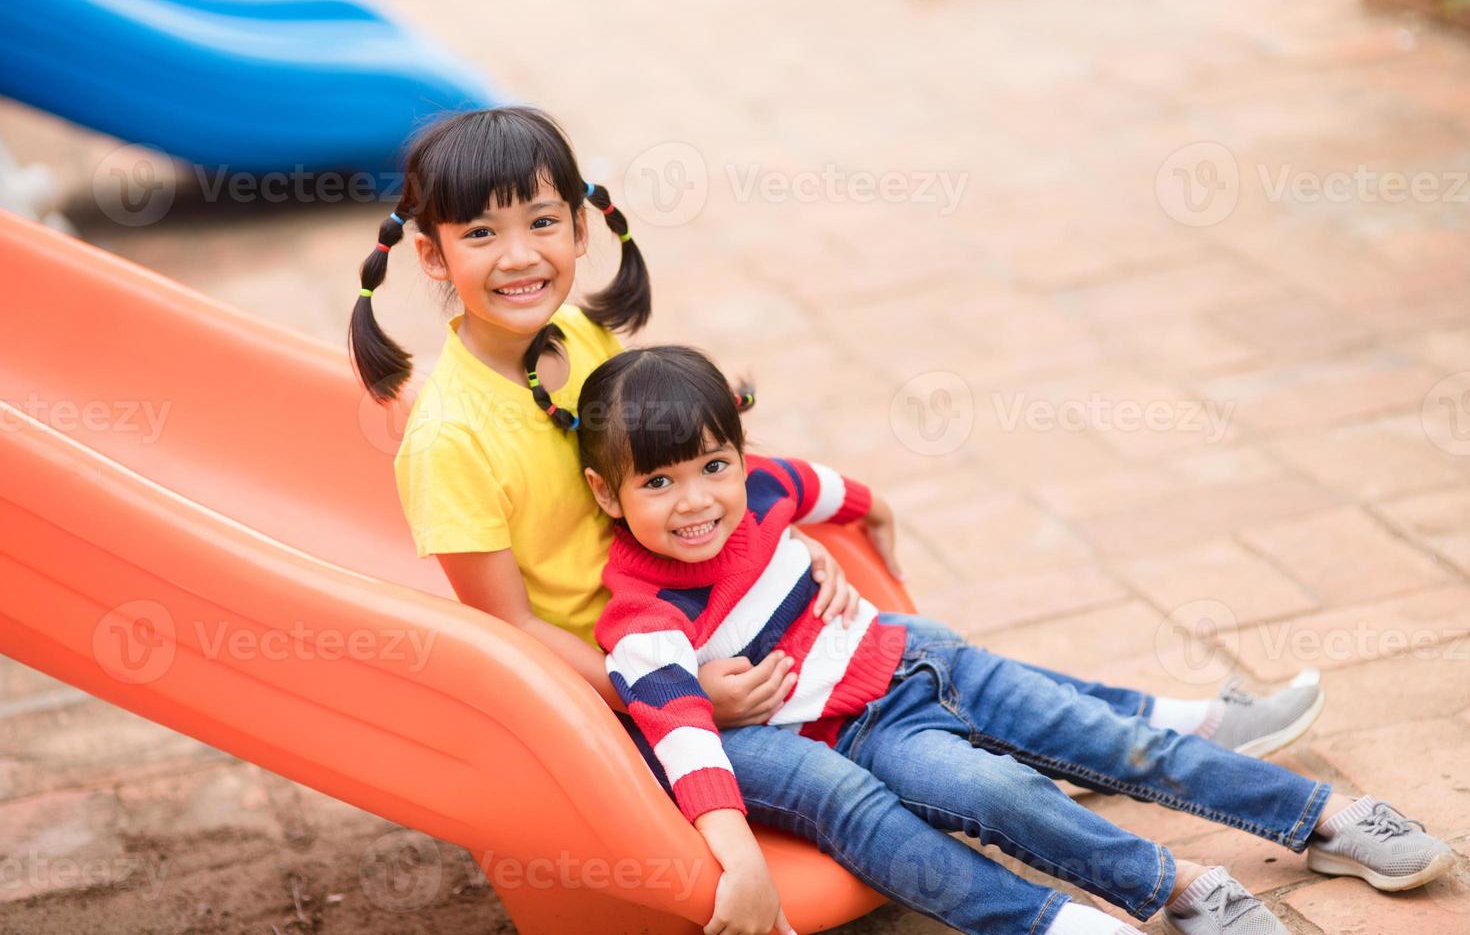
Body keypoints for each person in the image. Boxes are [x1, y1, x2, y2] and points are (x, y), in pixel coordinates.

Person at [351, 105, 1340, 935]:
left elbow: (672, 468)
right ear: (432, 254)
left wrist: (792, 538)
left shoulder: (575, 330)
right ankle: (1054, 910)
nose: (520, 257)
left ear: (580, 224)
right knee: (849, 786)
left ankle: (1167, 724)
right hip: (655, 685)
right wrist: (684, 680)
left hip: (733, 612)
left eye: (541, 222)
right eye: (481, 234)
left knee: (939, 653)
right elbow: (513, 628)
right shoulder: (448, 438)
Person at [581, 344, 1457, 935]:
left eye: (712, 467)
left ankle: (1321, 820)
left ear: (737, 451)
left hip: (918, 654)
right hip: (869, 735)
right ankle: (1178, 889)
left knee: (1112, 741)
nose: (696, 500)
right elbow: (686, 737)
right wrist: (734, 850)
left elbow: (824, 487)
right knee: (997, 790)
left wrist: (875, 521)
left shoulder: (760, 487)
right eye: (658, 481)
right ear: (608, 493)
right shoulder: (640, 617)